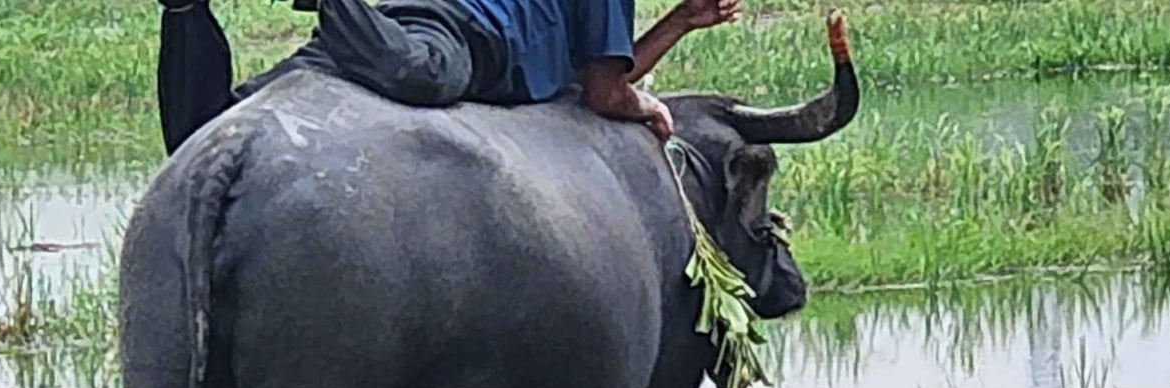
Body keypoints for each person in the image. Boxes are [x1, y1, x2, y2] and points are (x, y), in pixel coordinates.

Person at [156, 0, 741, 156]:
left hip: (376, 35)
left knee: (206, 132)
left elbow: (596, 71)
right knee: (428, 76)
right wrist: (644, 106)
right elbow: (605, 91)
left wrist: (682, 21)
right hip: (457, 41)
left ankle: (185, 13)